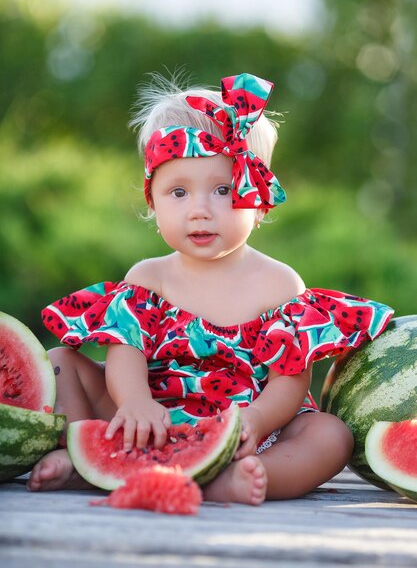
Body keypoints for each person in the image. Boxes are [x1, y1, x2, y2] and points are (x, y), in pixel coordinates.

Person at [28, 72, 393, 504]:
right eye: (178, 192)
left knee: (330, 435)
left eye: (222, 190)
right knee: (58, 362)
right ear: (153, 202)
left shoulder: (279, 285)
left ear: (258, 201)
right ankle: (85, 458)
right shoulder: (148, 278)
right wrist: (135, 401)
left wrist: (257, 418)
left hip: (248, 435)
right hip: (150, 423)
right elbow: (124, 352)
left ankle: (242, 480)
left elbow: (289, 383)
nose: (200, 211)